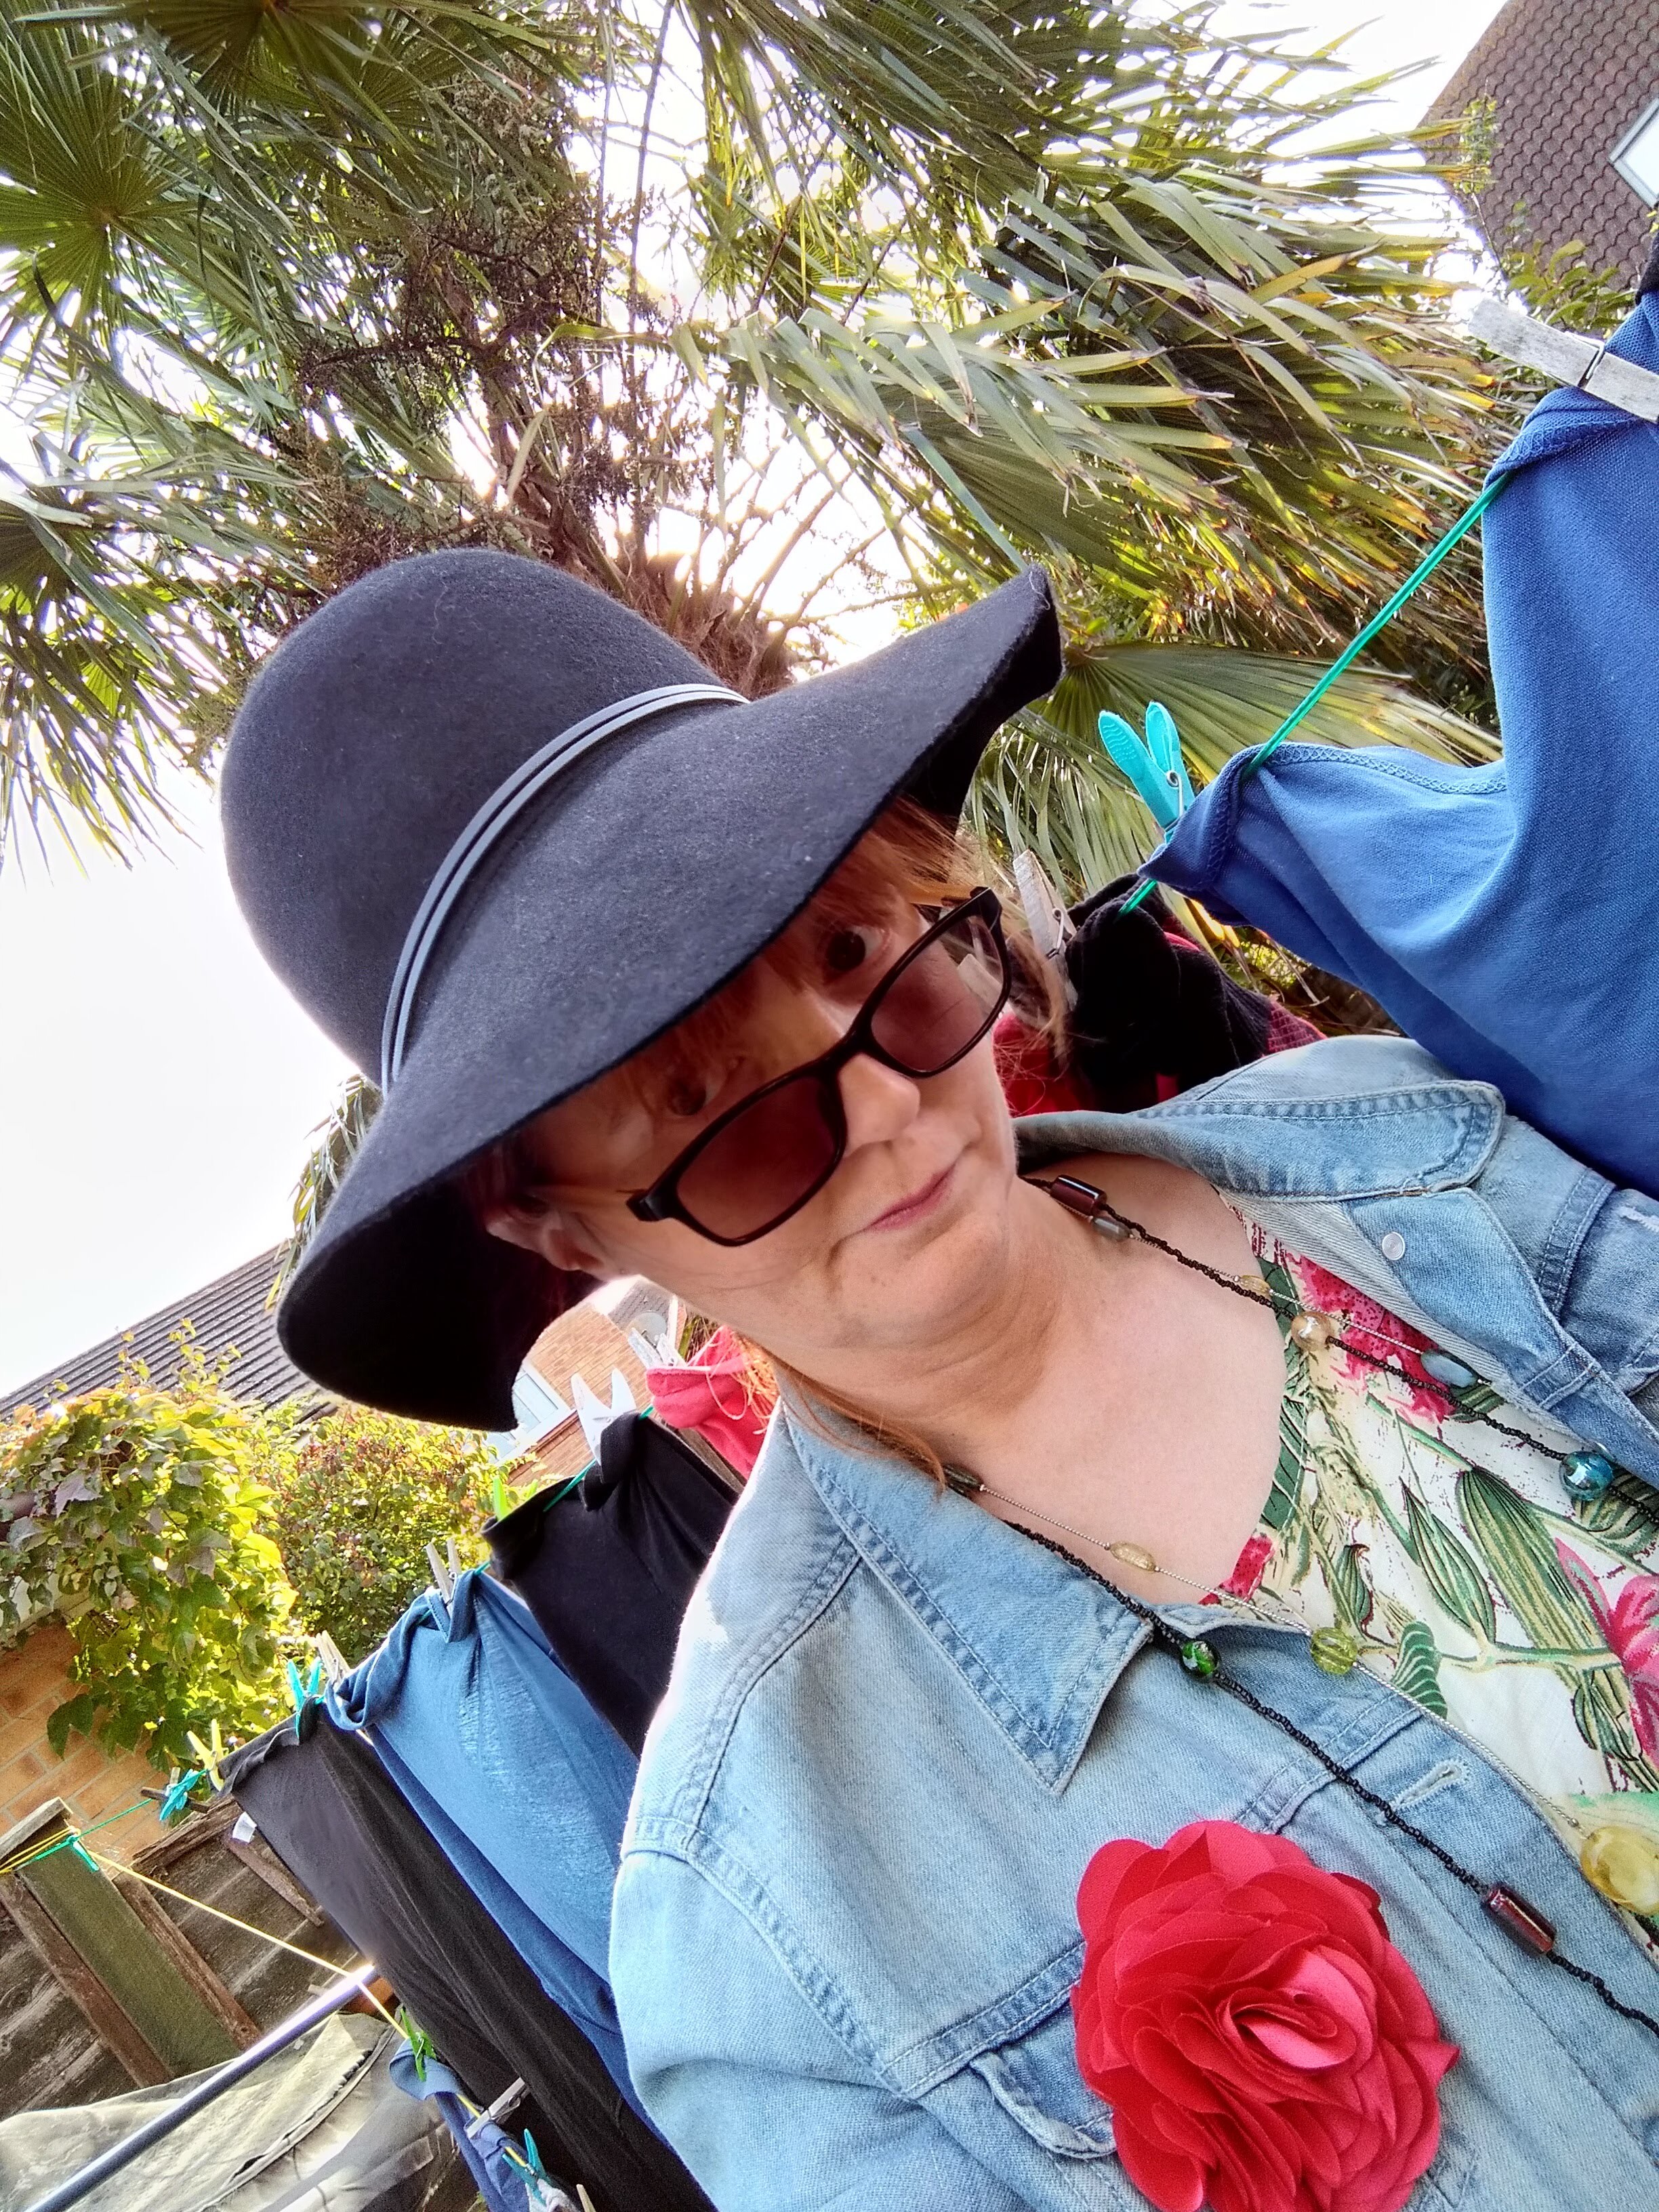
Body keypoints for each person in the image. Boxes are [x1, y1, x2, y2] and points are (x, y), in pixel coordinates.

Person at [222, 543, 1659, 2212]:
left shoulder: (1392, 1142)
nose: (888, 1108)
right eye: (712, 1104)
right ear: (555, 1225)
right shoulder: (768, 1943)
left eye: (859, 960)